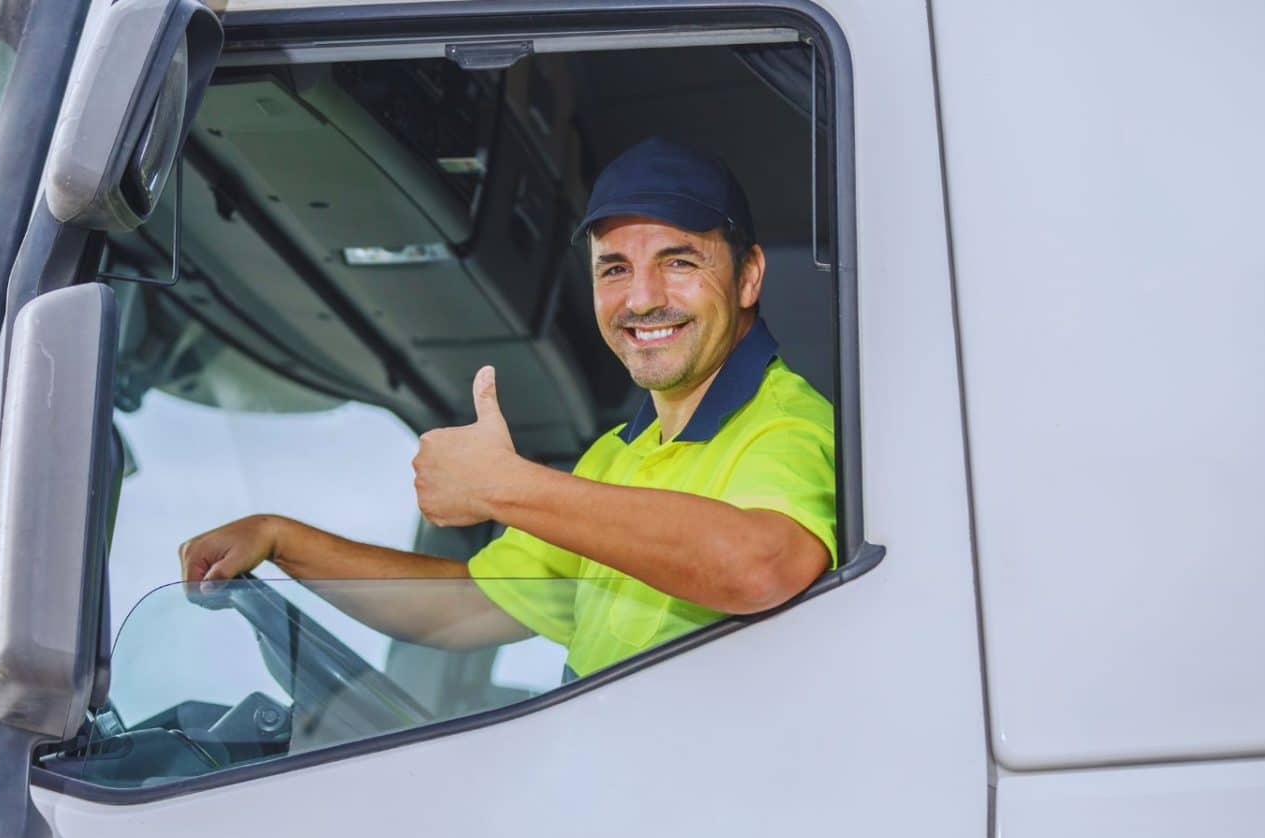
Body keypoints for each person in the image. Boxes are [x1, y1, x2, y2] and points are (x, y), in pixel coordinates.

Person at [180, 137, 837, 678]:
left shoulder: (786, 422)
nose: (641, 299)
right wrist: (281, 538)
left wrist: (501, 485)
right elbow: (465, 609)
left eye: (679, 262)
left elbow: (762, 564)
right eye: (614, 269)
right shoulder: (615, 457)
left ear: (748, 276)